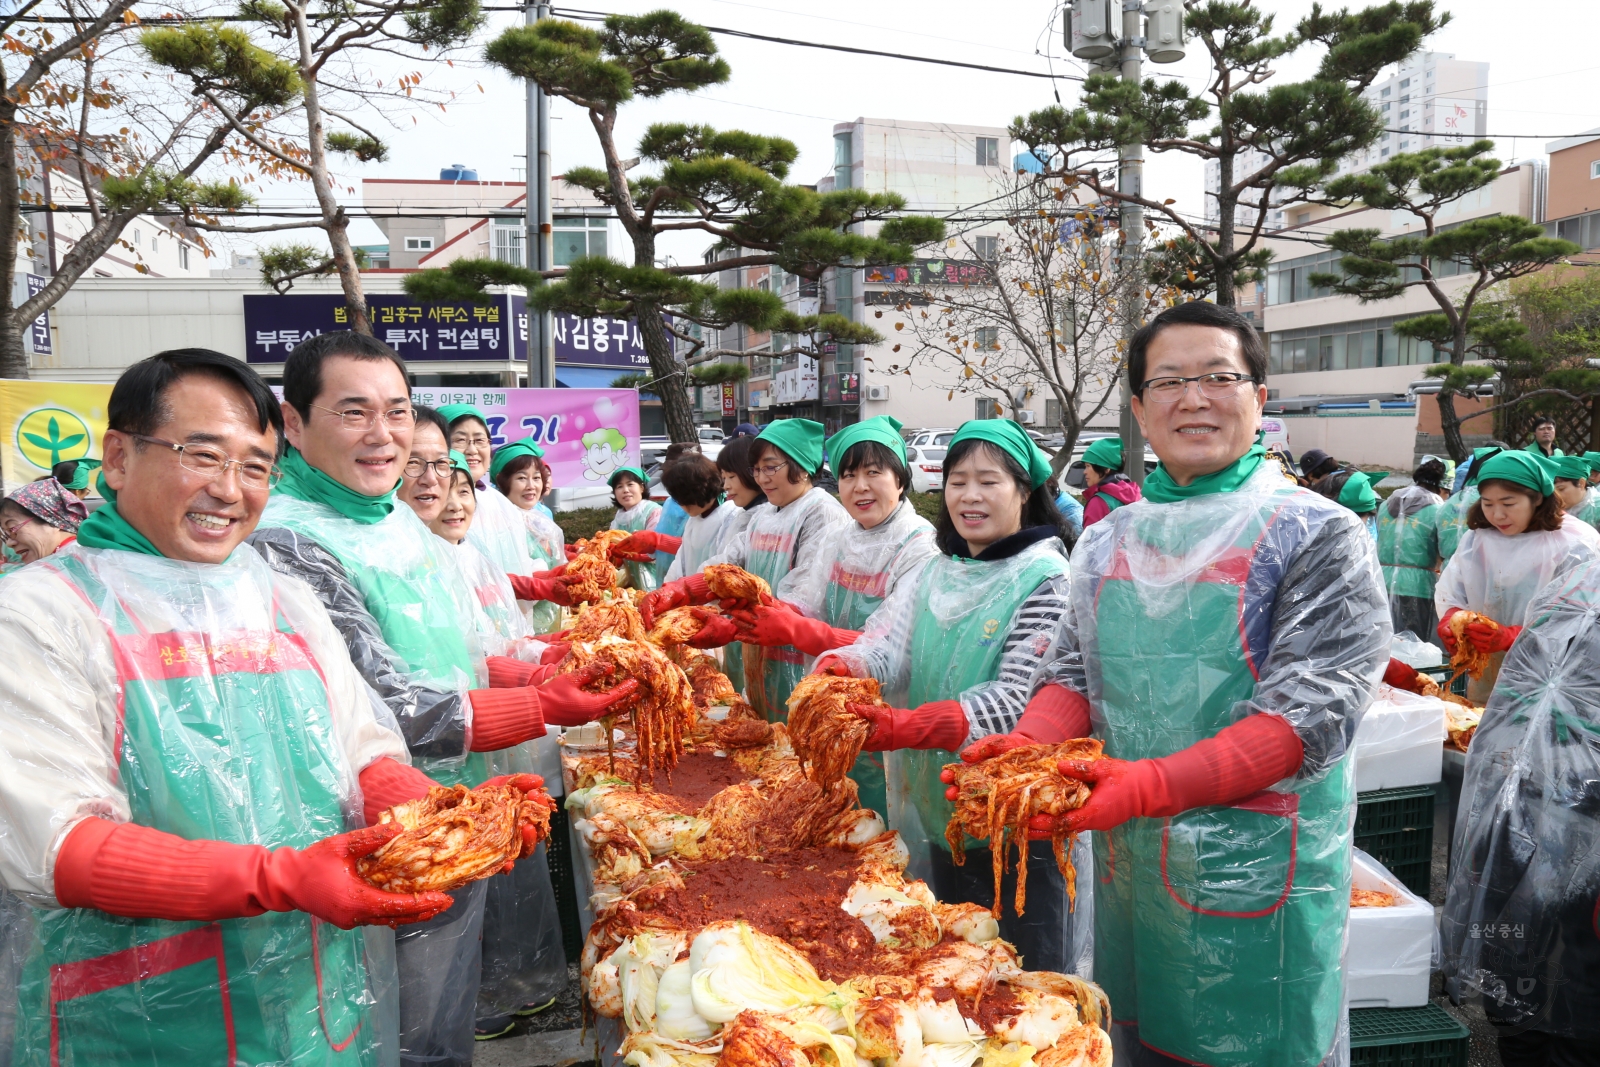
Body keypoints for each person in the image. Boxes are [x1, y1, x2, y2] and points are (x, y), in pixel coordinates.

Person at [0, 348, 505, 1065]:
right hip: (144, 1016)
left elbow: (361, 750)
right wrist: (281, 877)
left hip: (315, 994)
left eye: (256, 466)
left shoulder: (278, 596)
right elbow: (54, 841)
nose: (230, 490)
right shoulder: (42, 612)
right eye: (202, 456)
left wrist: (436, 815)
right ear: (117, 457)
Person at [1016, 301, 1390, 1067]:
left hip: (1259, 879)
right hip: (1131, 876)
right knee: (1134, 1039)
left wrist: (1152, 781)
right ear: (1138, 408)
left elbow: (1309, 718)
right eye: (1170, 380)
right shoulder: (1108, 536)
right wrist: (1021, 751)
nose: (1195, 397)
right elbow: (1072, 671)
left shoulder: (1317, 533)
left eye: (1220, 376)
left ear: (1259, 396)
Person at [246, 332, 635, 1066]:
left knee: (442, 1016)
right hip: (362, 830)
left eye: (396, 411)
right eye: (353, 411)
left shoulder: (392, 519)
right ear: (293, 424)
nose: (382, 434)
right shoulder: (286, 540)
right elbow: (388, 700)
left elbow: (458, 654)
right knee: (383, 1028)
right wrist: (546, 707)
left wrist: (544, 679)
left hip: (455, 803)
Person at [809, 417, 1079, 970]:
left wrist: (906, 728)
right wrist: (842, 665)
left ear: (1024, 492)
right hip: (941, 804)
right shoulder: (939, 570)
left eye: (989, 481)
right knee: (951, 972)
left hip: (1018, 823)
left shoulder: (1048, 577)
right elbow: (886, 645)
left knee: (1025, 984)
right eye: (958, 481)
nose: (969, 496)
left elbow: (1016, 701)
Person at [403, 445, 574, 1042]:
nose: (453, 501)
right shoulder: (415, 564)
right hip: (443, 755)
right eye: (434, 487)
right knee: (454, 883)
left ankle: (515, 983)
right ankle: (477, 1001)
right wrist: (540, 686)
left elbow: (497, 643)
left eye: (461, 488)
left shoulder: (466, 557)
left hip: (492, 735)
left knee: (504, 872)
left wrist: (548, 660)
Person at [729, 416, 939, 816]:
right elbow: (803, 599)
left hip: (886, 714)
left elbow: (896, 646)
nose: (859, 486)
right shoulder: (840, 536)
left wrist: (804, 632)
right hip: (827, 705)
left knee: (880, 824)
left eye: (873, 472)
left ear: (900, 478)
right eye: (847, 474)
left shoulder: (919, 546)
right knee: (830, 817)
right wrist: (753, 619)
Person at [1440, 556, 1600, 1067]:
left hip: (1545, 812)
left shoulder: (1576, 579)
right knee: (1525, 963)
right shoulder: (1577, 583)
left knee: (1554, 979)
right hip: (1534, 809)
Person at [642, 419, 849, 718]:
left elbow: (807, 598)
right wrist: (683, 590)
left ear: (802, 466)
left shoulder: (821, 512)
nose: (762, 478)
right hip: (758, 650)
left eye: (771, 467)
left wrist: (732, 625)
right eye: (756, 469)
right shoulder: (764, 515)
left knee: (793, 740)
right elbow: (727, 565)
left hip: (797, 657)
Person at [1435, 450, 1600, 705]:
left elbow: (1583, 621)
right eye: (1487, 504)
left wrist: (1514, 636)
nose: (1497, 515)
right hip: (1489, 674)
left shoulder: (1575, 543)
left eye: (1508, 504)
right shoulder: (1478, 539)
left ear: (1536, 498)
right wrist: (1451, 619)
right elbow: (1453, 591)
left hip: (1555, 681)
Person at [437, 404, 545, 616]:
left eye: (479, 440)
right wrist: (539, 587)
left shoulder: (499, 502)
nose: (472, 450)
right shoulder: (436, 503)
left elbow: (519, 560)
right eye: (460, 440)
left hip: (515, 622)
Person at [491, 438, 567, 634]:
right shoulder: (500, 524)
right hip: (522, 627)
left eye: (536, 478)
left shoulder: (540, 520)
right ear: (503, 480)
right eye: (521, 478)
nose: (531, 486)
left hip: (551, 618)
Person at [1378, 459, 1446, 645]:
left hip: (1381, 580)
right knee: (1413, 645)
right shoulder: (1438, 508)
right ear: (1441, 486)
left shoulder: (1386, 504)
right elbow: (1444, 547)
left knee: (1383, 643)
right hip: (1418, 585)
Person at [651, 454, 730, 581]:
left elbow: (725, 567)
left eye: (688, 498)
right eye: (679, 499)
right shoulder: (694, 520)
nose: (684, 505)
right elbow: (680, 561)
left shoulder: (730, 516)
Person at [1, 477, 86, 565]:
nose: (9, 543)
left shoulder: (79, 563)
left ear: (52, 520)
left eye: (12, 529)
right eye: (6, 534)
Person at [650, 441, 700, 581]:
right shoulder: (669, 502)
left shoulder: (707, 505)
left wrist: (658, 541)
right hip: (665, 579)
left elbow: (697, 547)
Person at [607, 465, 661, 590]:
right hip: (633, 582)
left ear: (641, 487)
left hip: (655, 581)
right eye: (619, 487)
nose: (625, 490)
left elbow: (656, 551)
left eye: (630, 484)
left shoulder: (653, 512)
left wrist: (625, 553)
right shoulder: (619, 517)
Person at [1079, 436, 1140, 527]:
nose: (1085, 472)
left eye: (1088, 466)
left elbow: (1091, 540)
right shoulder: (1135, 495)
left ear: (1106, 469)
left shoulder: (1098, 503)